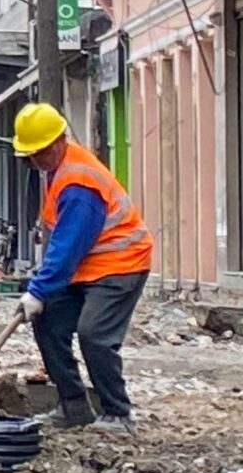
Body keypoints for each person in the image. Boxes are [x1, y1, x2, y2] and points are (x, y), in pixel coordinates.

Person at [13, 101, 153, 431]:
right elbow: (65, 246)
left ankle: (118, 412)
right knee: (47, 320)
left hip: (122, 262)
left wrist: (39, 289)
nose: (37, 160)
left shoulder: (79, 184)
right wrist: (42, 295)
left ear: (61, 139)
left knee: (95, 334)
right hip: (88, 267)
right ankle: (74, 406)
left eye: (42, 152)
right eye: (31, 155)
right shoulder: (56, 170)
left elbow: (68, 246)